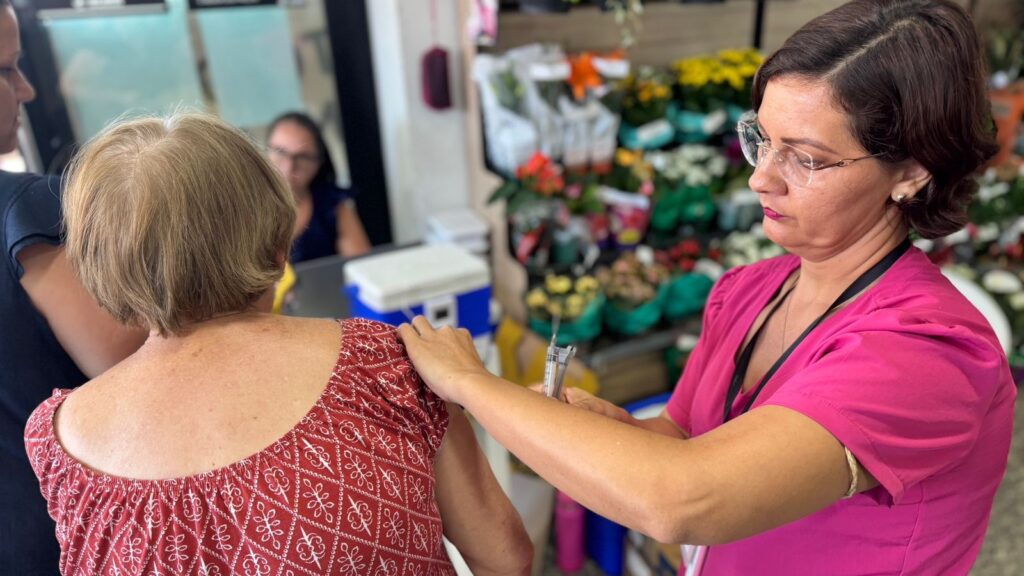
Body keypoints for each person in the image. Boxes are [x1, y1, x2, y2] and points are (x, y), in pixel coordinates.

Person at [397, 1, 1017, 574]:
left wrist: (470, 384)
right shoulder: (749, 291)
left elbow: (682, 498)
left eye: (804, 158)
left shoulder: (925, 352)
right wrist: (600, 429)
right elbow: (683, 441)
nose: (760, 181)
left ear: (909, 172)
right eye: (763, 142)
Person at [23, 112, 531, 575]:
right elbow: (504, 558)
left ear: (94, 262)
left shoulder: (57, 440)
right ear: (276, 238)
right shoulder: (381, 364)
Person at [0, 2, 145, 574]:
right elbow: (140, 367)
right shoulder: (23, 210)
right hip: (62, 538)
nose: (28, 90)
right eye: (8, 70)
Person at [266, 111, 371, 262]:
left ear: (318, 163)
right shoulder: (244, 208)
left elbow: (362, 268)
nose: (289, 167)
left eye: (302, 157)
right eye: (280, 152)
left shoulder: (332, 206)